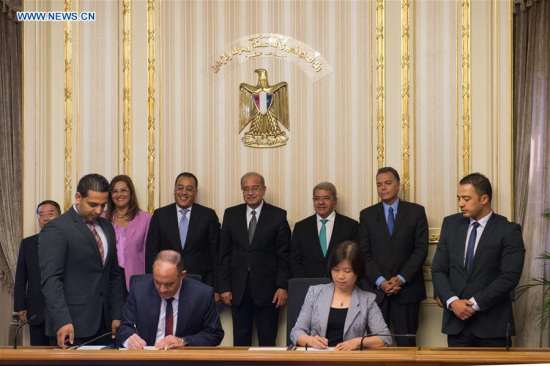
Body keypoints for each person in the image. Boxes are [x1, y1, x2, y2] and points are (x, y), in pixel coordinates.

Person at [431, 173, 525, 347]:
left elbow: (510, 276)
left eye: (466, 199)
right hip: (456, 325)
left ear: (484, 199)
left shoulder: (509, 230)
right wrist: (453, 302)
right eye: (459, 198)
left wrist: (473, 305)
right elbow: (438, 269)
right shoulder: (450, 224)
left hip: (492, 325)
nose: (460, 204)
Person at [39, 174, 125, 349]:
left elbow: (114, 274)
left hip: (105, 325)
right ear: (78, 197)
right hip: (71, 325)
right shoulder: (56, 228)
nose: (99, 210)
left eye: (103, 205)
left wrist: (117, 315)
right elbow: (51, 280)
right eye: (93, 204)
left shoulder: (107, 226)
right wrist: (62, 320)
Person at [218, 172, 291, 346]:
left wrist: (282, 286)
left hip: (269, 291)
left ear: (263, 190)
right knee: (240, 341)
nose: (250, 192)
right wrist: (224, 287)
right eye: (246, 188)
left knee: (267, 341)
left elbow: (285, 255)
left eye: (255, 188)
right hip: (238, 290)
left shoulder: (278, 216)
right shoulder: (231, 214)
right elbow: (224, 254)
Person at [359, 167, 428, 346]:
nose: (383, 188)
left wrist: (400, 278)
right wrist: (380, 281)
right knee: (375, 345)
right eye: (379, 185)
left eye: (387, 183)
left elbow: (420, 250)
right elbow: (363, 253)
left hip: (407, 290)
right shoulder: (366, 215)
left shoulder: (416, 212)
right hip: (375, 291)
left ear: (398, 186)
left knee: (406, 345)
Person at [290, 241, 391, 350]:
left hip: (350, 360)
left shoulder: (367, 299)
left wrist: (357, 342)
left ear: (358, 272)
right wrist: (311, 341)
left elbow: (385, 338)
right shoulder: (315, 292)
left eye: (347, 271)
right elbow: (296, 332)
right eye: (336, 270)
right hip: (319, 358)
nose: (340, 276)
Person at [117, 250, 224, 349]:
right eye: (157, 282)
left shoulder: (202, 295)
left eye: (169, 284)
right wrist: (129, 340)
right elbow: (125, 327)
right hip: (146, 358)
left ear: (182, 275)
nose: (162, 289)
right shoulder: (139, 290)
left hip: (183, 359)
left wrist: (184, 341)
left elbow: (214, 334)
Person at [145, 172, 221, 295]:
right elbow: (151, 253)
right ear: (174, 190)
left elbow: (216, 255)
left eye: (189, 189)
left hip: (201, 283)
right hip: (167, 283)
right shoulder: (160, 215)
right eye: (180, 188)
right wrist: (153, 284)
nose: (184, 192)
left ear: (196, 192)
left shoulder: (208, 215)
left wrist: (217, 288)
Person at [14, 200, 61, 346]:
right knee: (38, 352)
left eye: (50, 213)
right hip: (36, 309)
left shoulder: (68, 241)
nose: (45, 218)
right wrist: (20, 306)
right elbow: (21, 277)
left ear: (59, 216)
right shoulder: (27, 244)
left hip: (62, 309)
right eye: (41, 215)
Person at [291, 182, 358, 278]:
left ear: (335, 201)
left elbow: (355, 259)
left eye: (326, 198)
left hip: (341, 285)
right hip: (309, 286)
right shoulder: (301, 227)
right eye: (317, 198)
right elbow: (295, 261)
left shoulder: (350, 226)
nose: (321, 202)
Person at [104, 175, 151, 295]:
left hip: (135, 277)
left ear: (131, 193)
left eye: (123, 190)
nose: (119, 194)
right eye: (114, 191)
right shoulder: (102, 218)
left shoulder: (146, 219)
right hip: (108, 278)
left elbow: (148, 253)